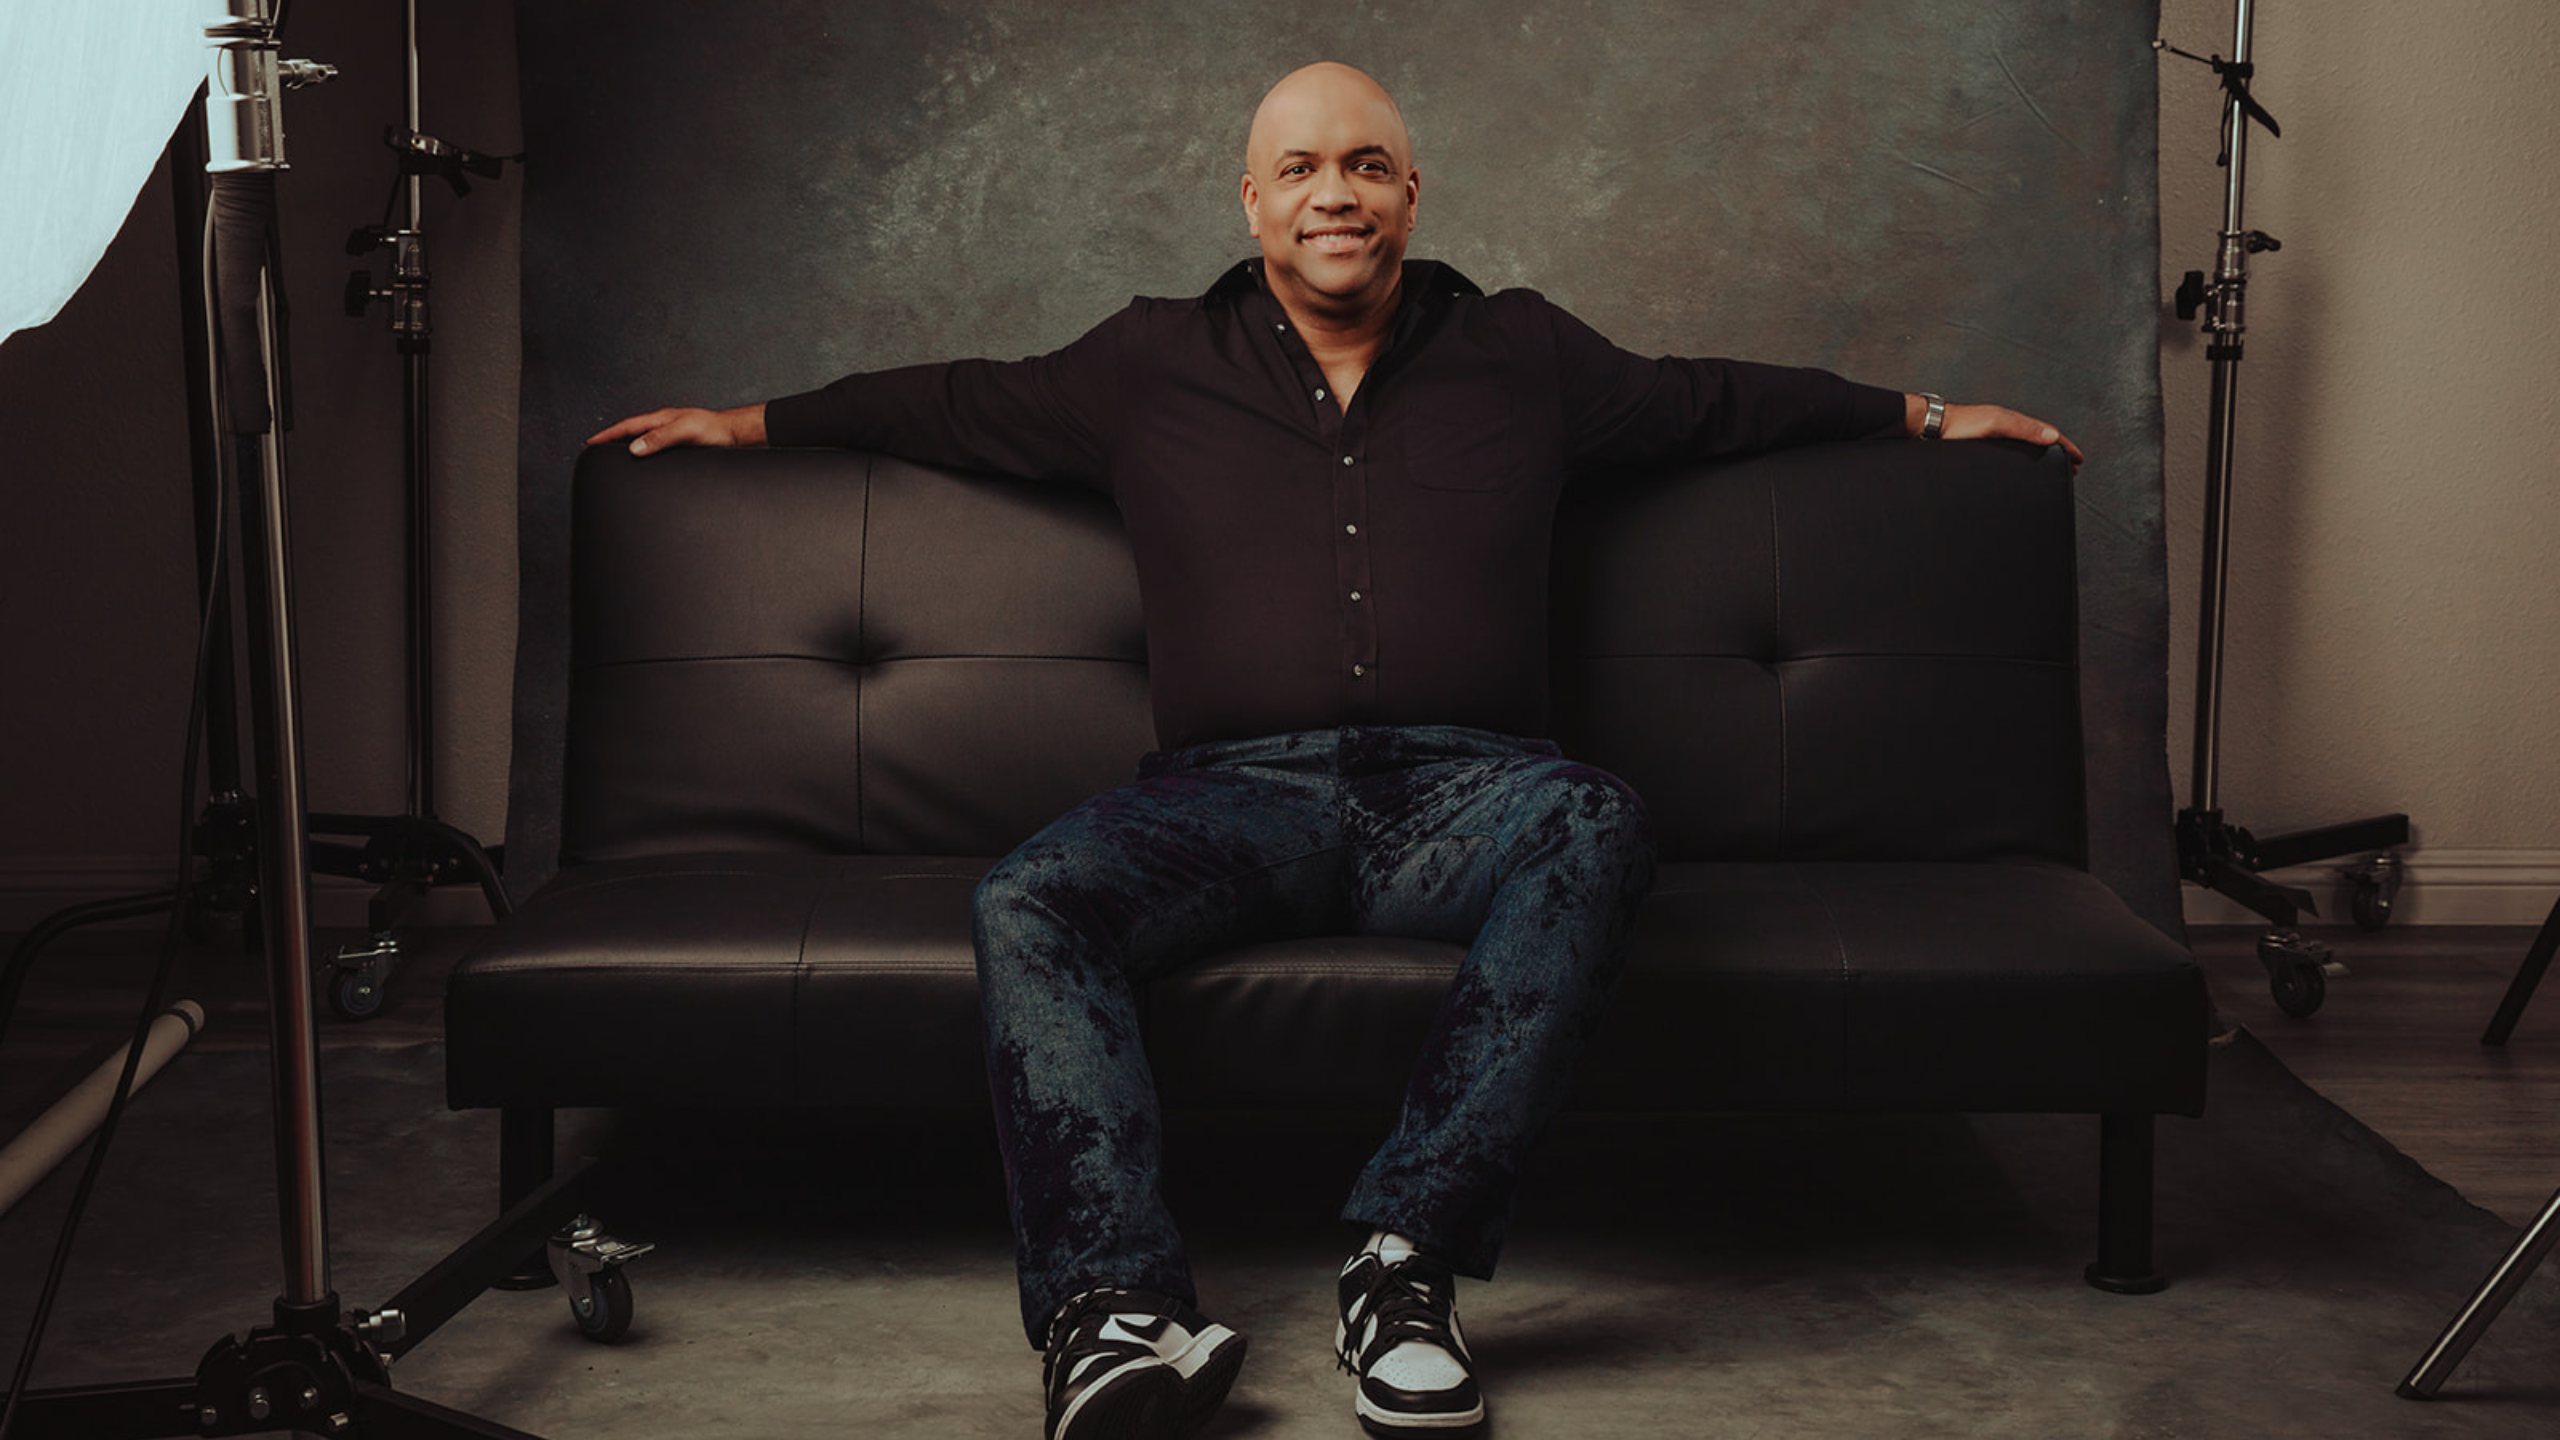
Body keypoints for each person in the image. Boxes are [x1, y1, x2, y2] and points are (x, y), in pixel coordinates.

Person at [590, 60, 2080, 1440]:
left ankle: (1405, 1261)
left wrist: (1929, 413)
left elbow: (1719, 398)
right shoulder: (1149, 363)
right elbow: (953, 399)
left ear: (1414, 195)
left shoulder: (1526, 353)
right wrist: (749, 425)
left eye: (1369, 165)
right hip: (1228, 804)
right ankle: (1111, 1318)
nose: (1337, 195)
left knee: (1599, 822)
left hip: (1466, 793)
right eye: (1301, 168)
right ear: (1252, 204)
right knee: (1028, 897)